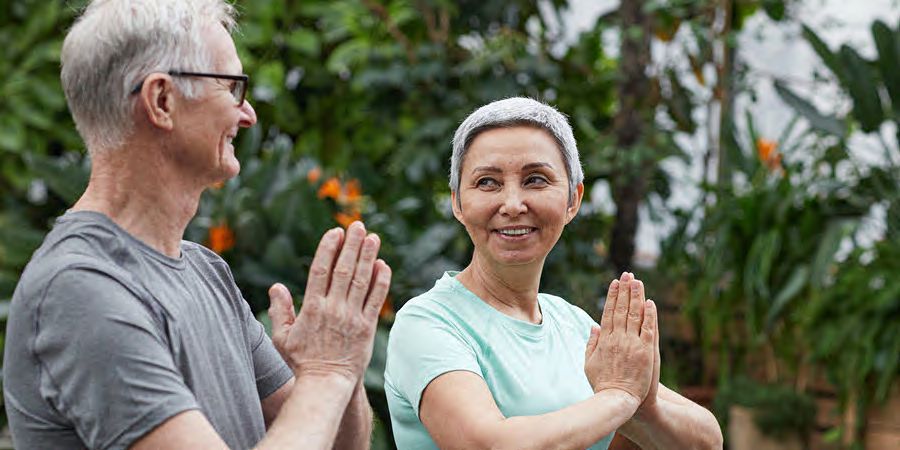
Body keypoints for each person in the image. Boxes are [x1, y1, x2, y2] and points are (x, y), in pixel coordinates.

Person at [2, 1, 391, 449]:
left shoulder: (206, 271)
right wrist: (326, 374)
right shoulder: (78, 288)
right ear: (162, 100)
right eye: (232, 87)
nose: (248, 115)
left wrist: (336, 370)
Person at [384, 97, 723, 449]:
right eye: (487, 182)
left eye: (535, 180)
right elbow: (490, 445)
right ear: (457, 202)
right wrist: (619, 398)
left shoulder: (572, 326)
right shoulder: (428, 324)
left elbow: (707, 440)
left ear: (573, 200)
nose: (513, 204)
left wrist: (646, 408)